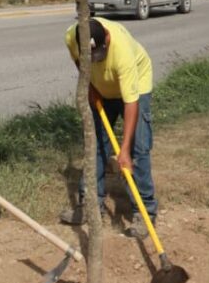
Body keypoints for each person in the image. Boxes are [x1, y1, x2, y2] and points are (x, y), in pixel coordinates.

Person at [60, 18, 158, 239]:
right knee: (94, 145)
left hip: (135, 89)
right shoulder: (72, 36)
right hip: (102, 89)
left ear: (107, 38)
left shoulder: (122, 51)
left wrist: (123, 150)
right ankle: (91, 206)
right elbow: (77, 59)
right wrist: (89, 84)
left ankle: (145, 212)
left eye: (99, 56)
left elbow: (131, 103)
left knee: (138, 150)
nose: (96, 60)